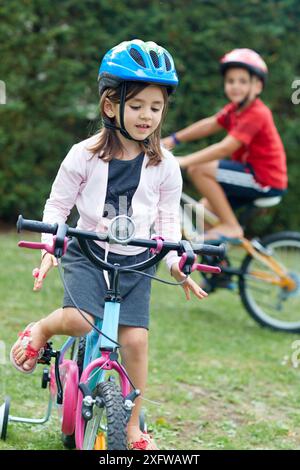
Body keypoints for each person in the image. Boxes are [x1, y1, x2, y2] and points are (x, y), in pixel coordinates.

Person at [10, 39, 208, 450]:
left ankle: (133, 425)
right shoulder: (83, 155)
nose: (146, 116)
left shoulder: (165, 165)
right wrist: (52, 247)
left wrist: (176, 263)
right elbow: (58, 205)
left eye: (155, 107)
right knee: (83, 320)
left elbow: (169, 222)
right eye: (136, 106)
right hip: (87, 251)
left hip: (137, 259)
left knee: (135, 342)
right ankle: (43, 328)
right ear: (109, 106)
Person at [163, 48, 287, 240]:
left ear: (258, 87)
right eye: (230, 81)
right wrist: (173, 139)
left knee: (198, 169)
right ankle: (218, 265)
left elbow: (225, 148)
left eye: (243, 81)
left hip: (263, 179)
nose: (235, 86)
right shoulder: (234, 111)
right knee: (201, 212)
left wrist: (184, 161)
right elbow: (210, 124)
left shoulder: (257, 113)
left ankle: (231, 226)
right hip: (248, 174)